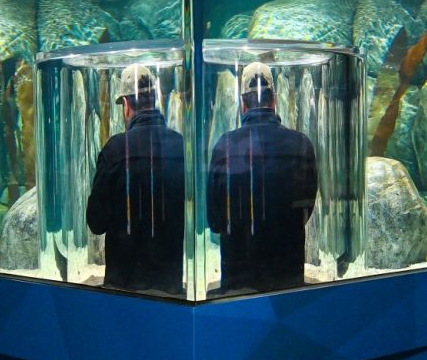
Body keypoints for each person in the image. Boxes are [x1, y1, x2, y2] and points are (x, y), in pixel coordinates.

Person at [208, 61, 318, 293]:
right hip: (288, 280)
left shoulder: (225, 145)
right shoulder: (301, 144)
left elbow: (215, 221)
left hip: (238, 282)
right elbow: (305, 211)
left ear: (242, 103)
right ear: (274, 100)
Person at [86, 63, 185, 295]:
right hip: (170, 287)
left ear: (127, 105)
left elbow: (96, 222)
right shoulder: (180, 145)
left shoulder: (115, 149)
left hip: (124, 286)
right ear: (155, 100)